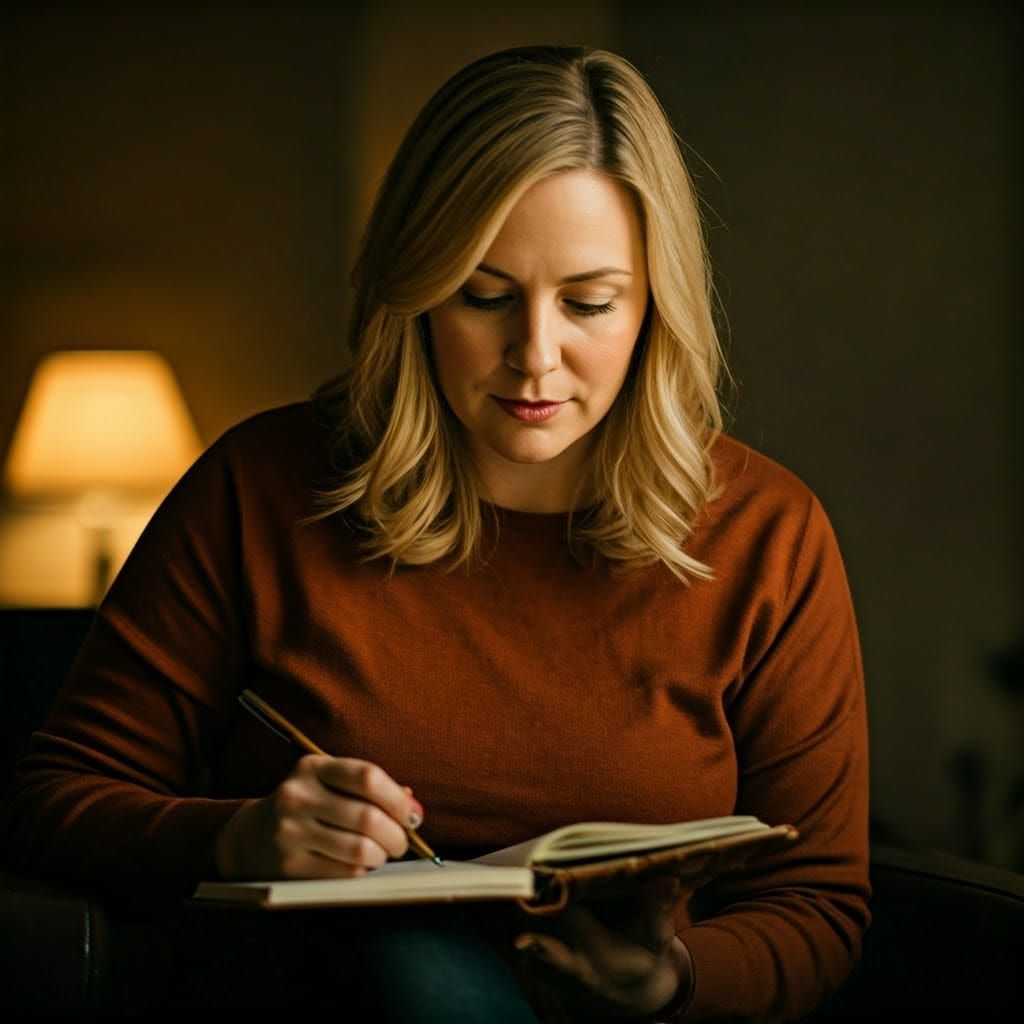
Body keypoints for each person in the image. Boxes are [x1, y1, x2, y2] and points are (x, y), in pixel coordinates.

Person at [1, 45, 869, 1022]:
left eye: (588, 303)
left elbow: (817, 902)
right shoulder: (261, 488)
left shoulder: (768, 534)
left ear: (654, 304)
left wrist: (674, 982)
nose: (534, 356)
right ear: (415, 290)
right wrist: (240, 837)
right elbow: (52, 805)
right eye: (483, 296)